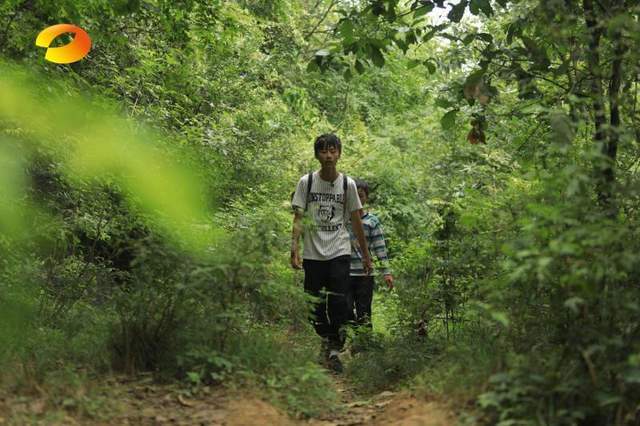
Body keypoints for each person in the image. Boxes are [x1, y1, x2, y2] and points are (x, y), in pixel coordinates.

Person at [291, 133, 373, 373]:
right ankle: (325, 339)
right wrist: (294, 248)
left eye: (333, 151)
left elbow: (356, 221)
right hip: (313, 253)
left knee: (339, 301)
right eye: (324, 151)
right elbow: (298, 218)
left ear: (339, 153)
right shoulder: (306, 182)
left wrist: (366, 257)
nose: (329, 156)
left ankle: (335, 348)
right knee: (313, 302)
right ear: (317, 154)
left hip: (339, 249)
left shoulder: (347, 184)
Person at [347, 179, 394, 329]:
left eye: (361, 196)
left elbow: (380, 247)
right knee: (345, 308)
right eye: (354, 195)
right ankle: (353, 337)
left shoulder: (372, 221)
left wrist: (386, 272)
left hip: (365, 275)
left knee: (364, 311)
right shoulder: (342, 219)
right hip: (343, 273)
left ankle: (365, 344)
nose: (358, 199)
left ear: (366, 198)